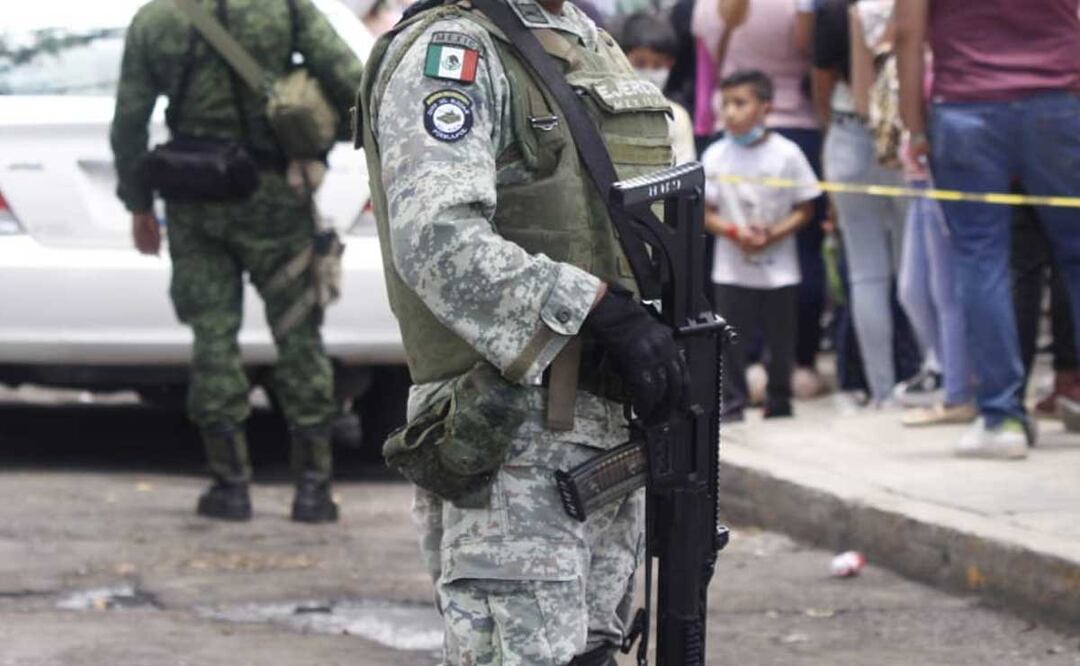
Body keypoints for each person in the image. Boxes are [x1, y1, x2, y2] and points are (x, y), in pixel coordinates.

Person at [358, 0, 687, 662]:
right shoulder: (452, 52)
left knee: (596, 649)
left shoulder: (585, 38)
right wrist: (592, 308)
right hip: (514, 433)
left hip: (607, 434)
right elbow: (436, 240)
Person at [110, 0, 364, 520]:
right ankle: (313, 490)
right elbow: (348, 78)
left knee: (212, 336)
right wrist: (328, 139)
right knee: (299, 335)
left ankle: (230, 486)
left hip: (193, 199)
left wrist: (138, 204)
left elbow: (129, 122)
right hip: (275, 194)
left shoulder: (156, 19)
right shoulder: (285, 7)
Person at [897, 0, 1080, 458]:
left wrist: (914, 128)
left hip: (967, 109)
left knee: (982, 258)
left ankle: (1002, 420)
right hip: (1059, 101)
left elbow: (907, 34)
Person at [693, 0, 828, 399]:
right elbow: (811, 48)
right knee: (804, 260)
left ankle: (752, 371)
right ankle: (799, 365)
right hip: (799, 119)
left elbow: (709, 54)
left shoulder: (707, 6)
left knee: (764, 287)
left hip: (745, 135)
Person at [703, 70, 820, 420]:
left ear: (765, 108)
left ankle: (779, 400)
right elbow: (704, 212)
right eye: (726, 103)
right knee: (731, 338)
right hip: (731, 266)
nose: (731, 112)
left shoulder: (787, 154)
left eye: (741, 103)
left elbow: (805, 207)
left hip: (778, 267)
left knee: (781, 338)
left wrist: (772, 233)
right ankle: (734, 403)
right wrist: (735, 232)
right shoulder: (716, 155)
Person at [616, 11, 696, 163]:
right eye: (640, 63)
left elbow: (683, 172)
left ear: (670, 64)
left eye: (658, 65)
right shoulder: (607, 114)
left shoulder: (677, 117)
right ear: (621, 58)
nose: (649, 72)